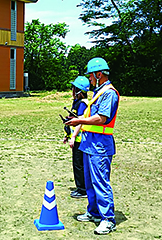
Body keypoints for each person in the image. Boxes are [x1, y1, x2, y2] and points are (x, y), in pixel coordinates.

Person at [65, 57, 120, 235]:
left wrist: (79, 120)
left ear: (98, 74)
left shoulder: (109, 93)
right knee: (90, 183)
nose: (89, 79)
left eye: (90, 76)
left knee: (100, 182)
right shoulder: (100, 91)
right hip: (89, 144)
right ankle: (94, 212)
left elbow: (101, 118)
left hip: (100, 146)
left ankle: (107, 219)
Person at [63, 76, 90, 199]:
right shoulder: (76, 103)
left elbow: (80, 121)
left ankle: (83, 189)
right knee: (77, 164)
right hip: (76, 138)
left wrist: (73, 136)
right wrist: (67, 135)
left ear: (79, 90)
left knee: (79, 164)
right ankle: (80, 188)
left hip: (80, 139)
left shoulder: (83, 104)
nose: (72, 90)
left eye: (73, 88)